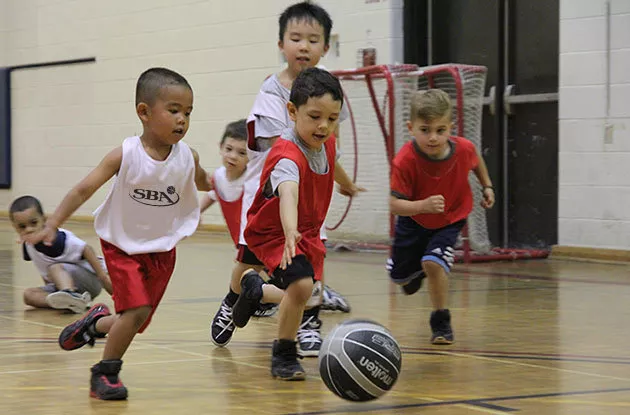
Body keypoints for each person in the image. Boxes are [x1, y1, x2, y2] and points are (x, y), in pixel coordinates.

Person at [24, 67, 212, 400]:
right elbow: (83, 190)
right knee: (136, 312)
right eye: (174, 111)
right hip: (121, 246)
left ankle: (92, 325)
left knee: (135, 323)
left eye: (188, 113)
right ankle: (104, 373)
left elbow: (202, 180)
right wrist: (52, 224)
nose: (182, 119)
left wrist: (221, 183)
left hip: (161, 250)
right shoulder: (124, 154)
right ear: (144, 112)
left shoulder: (187, 156)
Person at [209, 1, 361, 355]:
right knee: (246, 266)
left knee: (307, 274)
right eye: (296, 38)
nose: (304, 46)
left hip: (307, 205)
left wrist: (342, 179)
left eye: (313, 39)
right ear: (281, 44)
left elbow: (326, 147)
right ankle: (235, 302)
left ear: (326, 46)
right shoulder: (271, 95)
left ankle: (307, 324)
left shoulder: (327, 96)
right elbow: (289, 158)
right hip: (270, 199)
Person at [235, 67, 344, 379]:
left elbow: (333, 164)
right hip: (276, 232)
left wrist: (346, 184)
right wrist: (289, 230)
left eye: (332, 118)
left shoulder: (326, 142)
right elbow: (288, 193)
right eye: (315, 116)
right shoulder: (287, 156)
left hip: (303, 232)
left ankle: (257, 291)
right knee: (301, 286)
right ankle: (283, 354)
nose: (324, 125)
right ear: (292, 112)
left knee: (309, 296)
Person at [387, 89, 495, 345]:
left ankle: (441, 322)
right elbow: (394, 204)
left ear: (451, 128)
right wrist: (422, 205)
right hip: (413, 220)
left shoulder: (463, 149)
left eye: (440, 130)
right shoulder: (404, 160)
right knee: (404, 279)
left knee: (433, 263)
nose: (433, 137)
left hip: (450, 218)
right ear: (411, 128)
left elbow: (475, 159)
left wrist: (487, 186)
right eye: (425, 130)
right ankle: (411, 271)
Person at [9, 195, 112, 313]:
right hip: (63, 283)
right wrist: (49, 289)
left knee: (55, 267)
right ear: (15, 227)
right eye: (22, 227)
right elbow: (43, 268)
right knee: (28, 295)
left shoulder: (57, 239)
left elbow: (86, 249)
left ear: (44, 219)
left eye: (33, 223)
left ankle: (69, 295)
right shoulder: (27, 245)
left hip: (90, 280)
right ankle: (70, 302)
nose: (28, 229)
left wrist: (103, 277)